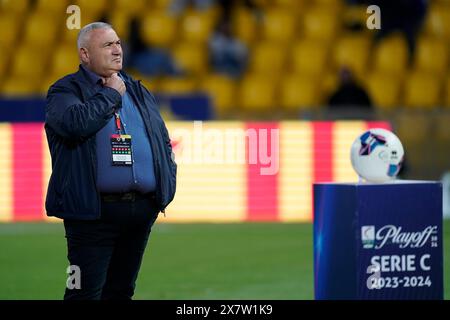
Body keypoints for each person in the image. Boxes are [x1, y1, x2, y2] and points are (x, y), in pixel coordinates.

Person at [44, 22, 177, 300]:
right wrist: (111, 94)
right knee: (82, 293)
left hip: (139, 213)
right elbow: (75, 124)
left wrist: (164, 189)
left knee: (121, 292)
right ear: (84, 54)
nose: (117, 50)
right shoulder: (65, 90)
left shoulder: (138, 90)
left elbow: (162, 141)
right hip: (92, 216)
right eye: (107, 45)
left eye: (118, 43)